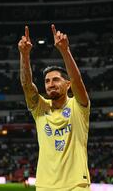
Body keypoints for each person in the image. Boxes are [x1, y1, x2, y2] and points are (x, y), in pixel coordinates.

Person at [18, 24, 91, 191]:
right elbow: (27, 85)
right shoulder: (40, 107)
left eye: (56, 80)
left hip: (76, 185)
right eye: (47, 81)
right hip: (45, 186)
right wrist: (24, 55)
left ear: (67, 84)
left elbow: (77, 80)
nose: (50, 84)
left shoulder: (78, 106)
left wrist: (65, 51)